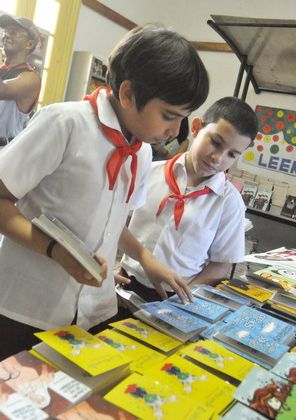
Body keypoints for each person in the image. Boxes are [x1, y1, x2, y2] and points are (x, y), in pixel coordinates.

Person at [0, 23, 209, 360]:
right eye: (169, 115)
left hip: (92, 310)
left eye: (182, 118)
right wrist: (54, 250)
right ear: (127, 94)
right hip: (25, 306)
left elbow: (114, 222)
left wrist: (145, 258)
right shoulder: (65, 123)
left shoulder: (140, 152)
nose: (174, 131)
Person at [118, 97, 258, 302]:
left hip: (175, 298)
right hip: (124, 281)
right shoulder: (148, 171)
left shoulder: (229, 203)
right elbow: (117, 223)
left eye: (232, 154)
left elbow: (221, 264)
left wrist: (181, 301)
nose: (218, 158)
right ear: (196, 127)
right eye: (216, 142)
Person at [0, 13, 41, 147]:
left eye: (13, 32)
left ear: (29, 44)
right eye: (5, 31)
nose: (6, 35)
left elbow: (2, 90)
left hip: (4, 152)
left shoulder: (31, 78)